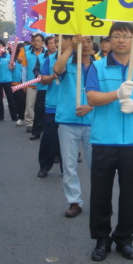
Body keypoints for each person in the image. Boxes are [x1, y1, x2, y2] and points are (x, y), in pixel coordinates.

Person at [86, 22, 133, 262]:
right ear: (109, 40)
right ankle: (101, 240)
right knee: (100, 194)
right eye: (116, 36)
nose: (121, 40)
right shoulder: (97, 67)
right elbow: (92, 98)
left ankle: (125, 239)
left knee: (129, 194)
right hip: (105, 140)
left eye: (126, 36)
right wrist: (116, 94)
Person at [52, 35, 94, 218]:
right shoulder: (67, 64)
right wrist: (70, 47)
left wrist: (91, 106)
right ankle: (74, 201)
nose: (85, 45)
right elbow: (56, 68)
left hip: (94, 122)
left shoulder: (99, 66)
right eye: (82, 42)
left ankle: (99, 201)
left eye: (88, 41)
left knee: (97, 166)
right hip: (68, 122)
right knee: (69, 166)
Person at [35, 36, 62, 177]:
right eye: (56, 41)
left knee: (68, 140)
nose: (58, 43)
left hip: (69, 107)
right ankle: (44, 166)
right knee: (48, 138)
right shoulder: (49, 59)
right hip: (52, 105)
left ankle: (67, 169)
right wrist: (53, 76)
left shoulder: (77, 59)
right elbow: (43, 79)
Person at [19, 33, 46, 133]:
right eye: (35, 41)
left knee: (42, 105)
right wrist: (24, 83)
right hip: (31, 82)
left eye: (39, 41)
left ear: (43, 42)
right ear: (32, 42)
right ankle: (30, 123)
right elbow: (24, 69)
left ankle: (41, 123)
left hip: (44, 84)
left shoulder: (47, 53)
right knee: (30, 104)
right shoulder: (27, 53)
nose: (37, 42)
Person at [0, 40, 19, 121]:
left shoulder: (9, 56)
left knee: (10, 98)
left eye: (0, 45)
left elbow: (13, 68)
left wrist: (12, 65)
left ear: (3, 47)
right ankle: (0, 116)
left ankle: (14, 115)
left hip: (7, 80)